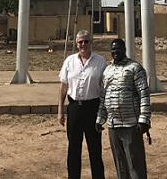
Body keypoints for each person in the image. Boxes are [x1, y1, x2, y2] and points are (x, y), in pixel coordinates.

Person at [96, 38, 151, 179]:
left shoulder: (134, 68)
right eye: (113, 49)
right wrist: (100, 119)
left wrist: (144, 120)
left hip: (131, 124)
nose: (116, 51)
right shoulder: (107, 70)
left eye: (118, 48)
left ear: (124, 50)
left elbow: (144, 94)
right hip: (113, 125)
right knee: (120, 164)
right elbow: (103, 96)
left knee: (135, 164)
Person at [58, 30, 106, 179]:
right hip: (74, 109)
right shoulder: (69, 61)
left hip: (93, 108)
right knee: (73, 148)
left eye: (86, 41)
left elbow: (105, 88)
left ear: (91, 43)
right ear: (76, 44)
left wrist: (103, 113)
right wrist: (60, 110)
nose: (83, 44)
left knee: (95, 149)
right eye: (80, 42)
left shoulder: (100, 62)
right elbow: (63, 86)